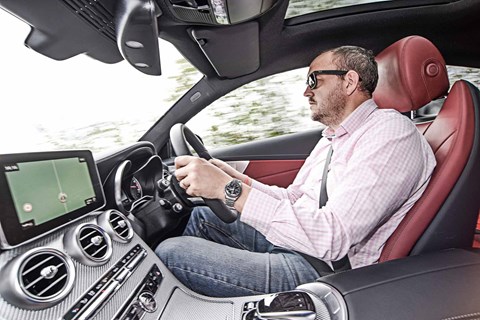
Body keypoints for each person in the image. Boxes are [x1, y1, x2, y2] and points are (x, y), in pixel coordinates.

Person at [155, 46, 436, 297]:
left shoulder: (390, 133)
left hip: (325, 269)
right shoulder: (334, 136)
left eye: (315, 80)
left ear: (349, 81)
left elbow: (332, 238)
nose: (306, 91)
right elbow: (295, 197)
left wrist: (228, 192)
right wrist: (234, 180)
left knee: (172, 255)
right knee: (203, 217)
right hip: (302, 243)